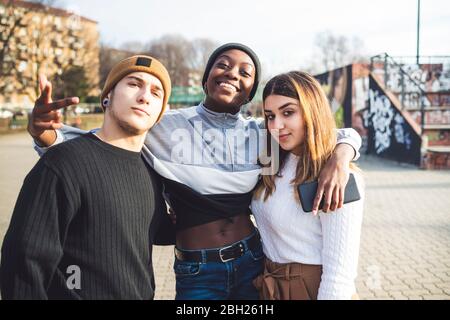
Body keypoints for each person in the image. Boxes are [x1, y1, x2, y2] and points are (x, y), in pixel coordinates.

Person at [26, 43, 362, 300]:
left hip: (253, 262)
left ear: (249, 92)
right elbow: (102, 140)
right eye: (223, 65)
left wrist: (341, 155)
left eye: (245, 72)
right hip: (197, 270)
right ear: (206, 77)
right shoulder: (162, 127)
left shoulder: (263, 134)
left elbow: (326, 132)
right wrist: (44, 133)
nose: (233, 73)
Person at [0, 55, 174, 299]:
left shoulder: (152, 172)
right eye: (134, 84)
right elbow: (23, 262)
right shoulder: (64, 162)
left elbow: (137, 231)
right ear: (107, 97)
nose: (145, 96)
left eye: (156, 93)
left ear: (160, 114)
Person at [251, 71, 364, 300]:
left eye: (288, 112)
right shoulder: (272, 161)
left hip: (312, 288)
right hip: (270, 284)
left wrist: (342, 153)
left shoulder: (335, 175)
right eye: (270, 116)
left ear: (312, 111)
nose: (277, 125)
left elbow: (339, 275)